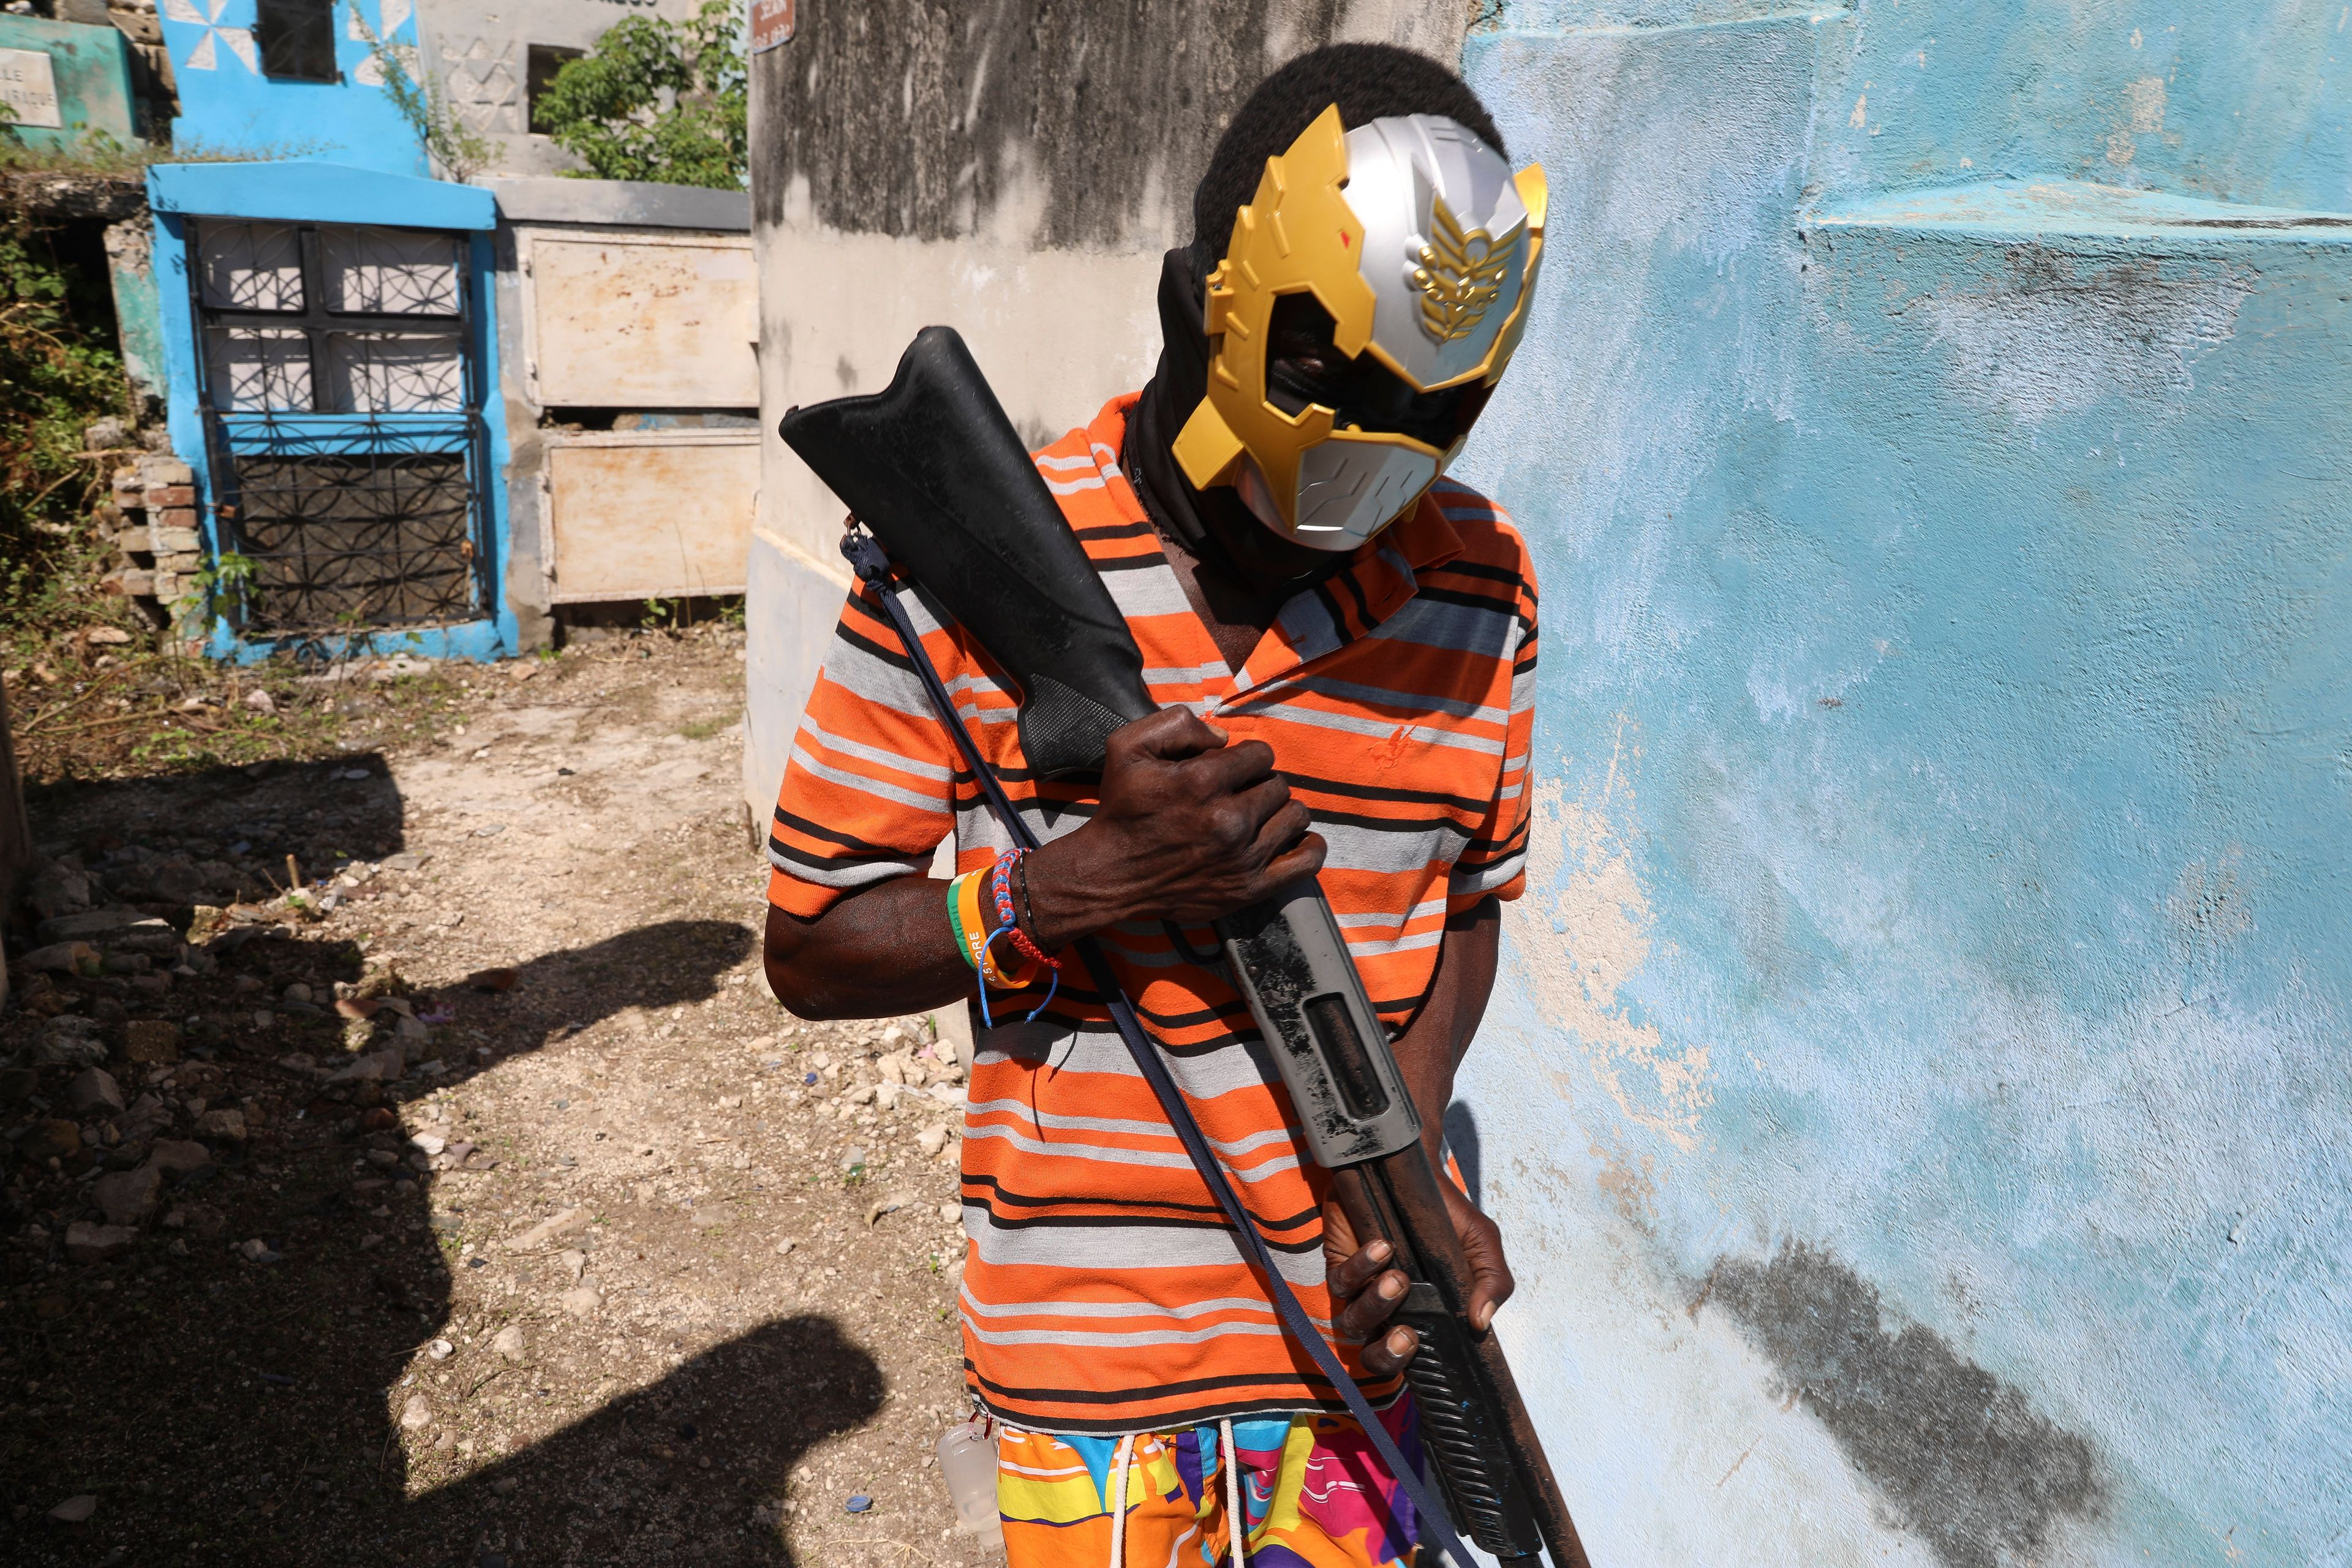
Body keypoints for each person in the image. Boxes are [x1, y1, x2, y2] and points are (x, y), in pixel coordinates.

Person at [763, 42, 1545, 1568]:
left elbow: (1463, 901)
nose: (1368, 476)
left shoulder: (1482, 579)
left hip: (1357, 1372)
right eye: (1323, 392)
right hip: (1094, 1379)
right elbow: (811, 947)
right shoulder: (969, 568)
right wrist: (1077, 884)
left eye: (1427, 415)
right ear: (1203, 307)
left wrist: (1400, 1167)